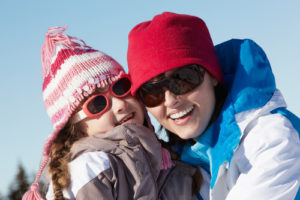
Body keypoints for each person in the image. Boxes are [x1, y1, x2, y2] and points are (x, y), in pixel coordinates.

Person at [127, 11, 300, 200]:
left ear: (213, 76)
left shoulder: (270, 137)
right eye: (153, 93)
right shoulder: (180, 161)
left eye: (184, 79)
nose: (170, 101)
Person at [22, 26, 199, 200]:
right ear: (75, 127)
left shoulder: (169, 160)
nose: (120, 104)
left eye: (121, 87)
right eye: (97, 104)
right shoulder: (91, 169)